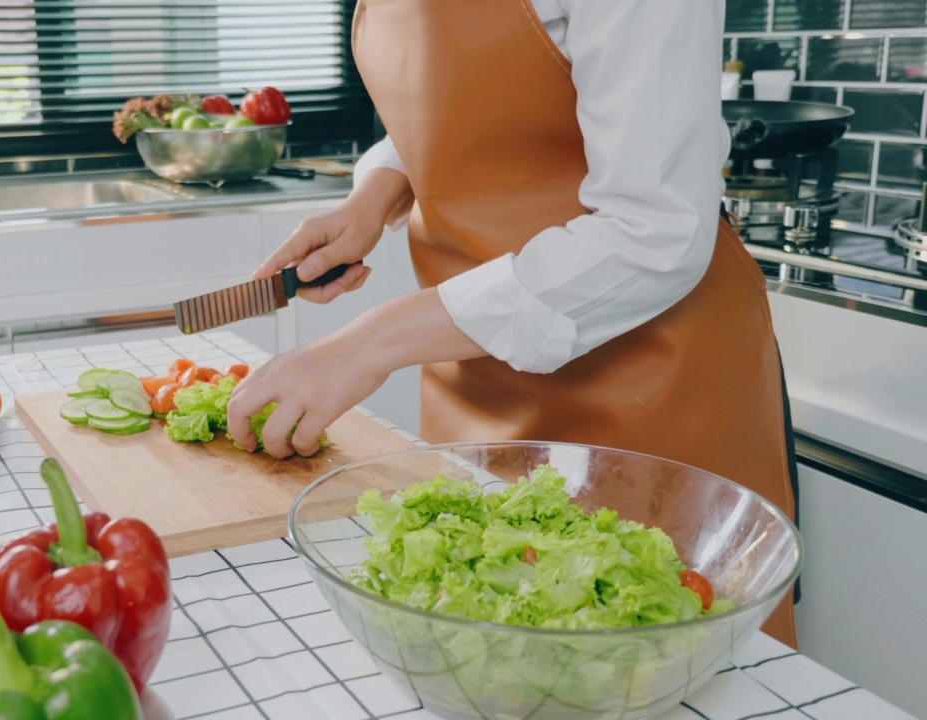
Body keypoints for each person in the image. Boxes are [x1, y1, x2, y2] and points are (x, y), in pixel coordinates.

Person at [225, 0, 799, 646]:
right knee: (488, 657)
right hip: (474, 375)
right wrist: (376, 194)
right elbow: (476, 103)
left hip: (649, 388)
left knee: (653, 662)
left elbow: (654, 230)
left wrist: (373, 340)